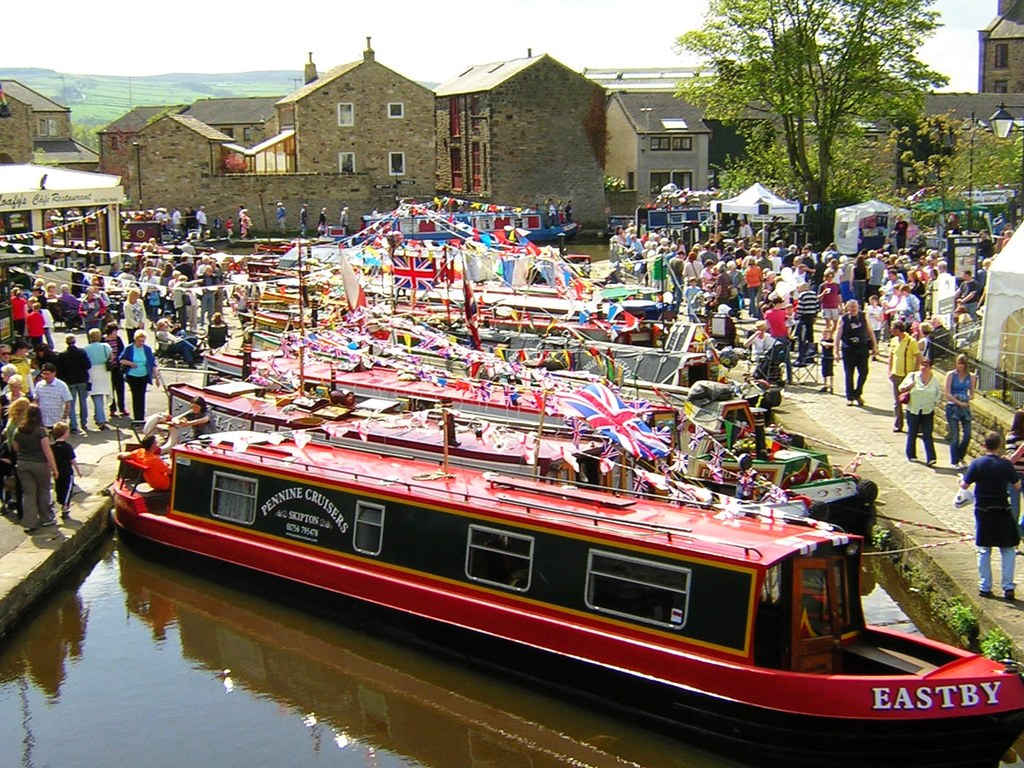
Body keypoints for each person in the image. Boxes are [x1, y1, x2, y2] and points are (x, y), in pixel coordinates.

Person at [961, 432, 1021, 601]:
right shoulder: (1005, 465)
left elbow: (965, 485)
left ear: (983, 445)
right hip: (1002, 509)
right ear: (999, 445)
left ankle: (985, 587)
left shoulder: (977, 464)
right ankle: (1008, 587)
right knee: (1008, 549)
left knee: (984, 549)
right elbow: (1017, 486)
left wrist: (960, 482)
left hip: (983, 510)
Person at [13, 403, 58, 533]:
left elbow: (16, 448)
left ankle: (29, 522)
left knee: (29, 493)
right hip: (39, 464)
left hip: (22, 463)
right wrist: (54, 469)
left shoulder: (19, 430)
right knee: (43, 490)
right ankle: (46, 518)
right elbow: (47, 451)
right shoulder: (40, 431)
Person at [834, 299, 877, 407]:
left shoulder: (863, 316)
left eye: (855, 306)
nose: (853, 309)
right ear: (847, 308)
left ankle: (857, 393)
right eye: (851, 307)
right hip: (848, 349)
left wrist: (875, 345)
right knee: (849, 374)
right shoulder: (844, 318)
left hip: (862, 348)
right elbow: (838, 335)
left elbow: (870, 332)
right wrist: (836, 351)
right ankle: (850, 397)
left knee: (864, 372)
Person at [898, 359, 942, 466]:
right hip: (913, 409)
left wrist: (934, 402)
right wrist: (910, 386)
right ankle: (911, 454)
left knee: (927, 434)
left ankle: (931, 458)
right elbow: (901, 388)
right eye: (922, 365)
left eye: (926, 366)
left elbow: (938, 393)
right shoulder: (912, 376)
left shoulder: (934, 380)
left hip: (927, 411)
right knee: (912, 432)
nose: (923, 367)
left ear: (930, 368)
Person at [120, 330, 162, 422]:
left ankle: (141, 417)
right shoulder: (129, 348)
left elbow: (152, 364)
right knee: (136, 396)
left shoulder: (147, 349)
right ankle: (137, 418)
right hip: (132, 375)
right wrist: (130, 363)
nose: (141, 343)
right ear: (135, 340)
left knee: (142, 396)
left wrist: (157, 378)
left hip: (143, 375)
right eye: (139, 341)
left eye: (143, 341)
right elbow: (121, 359)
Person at [887, 322, 920, 433]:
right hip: (896, 374)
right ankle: (898, 425)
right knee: (897, 402)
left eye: (892, 328)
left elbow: (918, 358)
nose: (891, 330)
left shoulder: (911, 342)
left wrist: (915, 374)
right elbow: (891, 357)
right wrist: (890, 371)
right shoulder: (893, 341)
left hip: (908, 376)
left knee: (912, 402)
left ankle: (915, 426)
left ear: (898, 329)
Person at [945, 353, 975, 470]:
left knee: (967, 434)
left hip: (965, 408)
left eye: (962, 364)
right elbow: (947, 393)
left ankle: (960, 456)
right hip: (953, 407)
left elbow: (972, 394)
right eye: (958, 364)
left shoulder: (971, 377)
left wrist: (966, 399)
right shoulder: (951, 375)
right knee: (955, 436)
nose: (960, 366)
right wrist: (958, 401)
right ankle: (954, 460)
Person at [56, 336, 90, 434]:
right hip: (82, 379)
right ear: (75, 342)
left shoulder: (62, 354)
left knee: (71, 404)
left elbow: (59, 370)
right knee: (83, 402)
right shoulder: (81, 352)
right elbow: (88, 365)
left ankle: (74, 425)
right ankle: (84, 422)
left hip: (69, 382)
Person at [84, 328, 113, 431]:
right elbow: (111, 358)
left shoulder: (86, 348)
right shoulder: (106, 347)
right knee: (100, 396)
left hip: (92, 373)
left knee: (96, 397)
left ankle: (100, 419)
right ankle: (99, 417)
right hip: (104, 372)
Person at [50, 421, 79, 518]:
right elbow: (73, 460)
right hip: (67, 472)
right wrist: (78, 471)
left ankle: (61, 501)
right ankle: (65, 507)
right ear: (65, 434)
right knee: (68, 489)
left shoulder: (52, 447)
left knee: (59, 487)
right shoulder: (68, 447)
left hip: (57, 472)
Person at [104, 323, 128, 418]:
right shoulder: (103, 340)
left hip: (118, 368)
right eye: (115, 331)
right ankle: (112, 409)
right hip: (108, 369)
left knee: (120, 388)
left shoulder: (118, 339)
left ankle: (122, 408)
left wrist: (119, 360)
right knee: (110, 390)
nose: (116, 333)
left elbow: (122, 351)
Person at [1006, 410, 1024, 529]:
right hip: (1015, 476)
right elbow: (1011, 459)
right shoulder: (1012, 437)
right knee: (1014, 509)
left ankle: (1020, 531)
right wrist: (1022, 448)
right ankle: (1012, 542)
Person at [819, 328, 834, 394]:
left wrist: (830, 344)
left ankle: (831, 386)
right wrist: (829, 344)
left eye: (826, 334)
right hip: (824, 358)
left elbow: (834, 345)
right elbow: (824, 344)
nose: (824, 335)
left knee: (830, 372)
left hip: (830, 358)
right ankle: (825, 385)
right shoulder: (822, 340)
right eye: (823, 334)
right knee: (824, 372)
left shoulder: (832, 340)